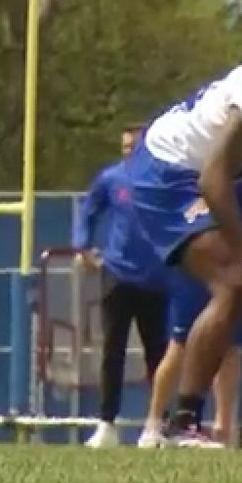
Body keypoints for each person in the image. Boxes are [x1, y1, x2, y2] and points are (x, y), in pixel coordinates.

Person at [126, 62, 242, 447]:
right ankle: (183, 423)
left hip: (212, 176)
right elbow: (213, 180)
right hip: (167, 173)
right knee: (233, 281)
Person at [73, 124, 168, 448]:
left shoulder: (165, 179)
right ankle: (107, 424)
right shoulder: (112, 178)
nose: (130, 152)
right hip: (117, 274)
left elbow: (189, 211)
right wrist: (83, 246)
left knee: (158, 352)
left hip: (155, 277)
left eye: (135, 146)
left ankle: (157, 424)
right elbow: (88, 211)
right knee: (112, 350)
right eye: (125, 147)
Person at [140, 274, 242, 447]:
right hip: (196, 275)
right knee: (179, 346)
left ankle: (223, 429)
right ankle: (153, 424)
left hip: (233, 278)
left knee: (230, 346)